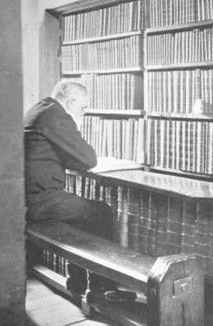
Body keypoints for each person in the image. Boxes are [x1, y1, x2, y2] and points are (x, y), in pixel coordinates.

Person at [24, 79, 135, 302]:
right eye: (82, 107)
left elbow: (70, 158)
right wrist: (74, 123)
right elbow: (88, 159)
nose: (83, 113)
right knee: (101, 212)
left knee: (82, 214)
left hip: (26, 197)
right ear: (71, 100)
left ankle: (76, 280)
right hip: (40, 201)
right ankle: (102, 289)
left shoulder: (39, 108)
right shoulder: (56, 115)